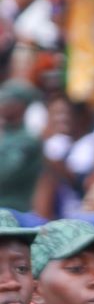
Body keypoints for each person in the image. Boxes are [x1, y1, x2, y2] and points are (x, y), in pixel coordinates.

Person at [0, 80, 43, 214]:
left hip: (13, 212)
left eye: (6, 100)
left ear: (20, 105)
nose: (1, 104)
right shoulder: (6, 135)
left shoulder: (27, 140)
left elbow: (4, 173)